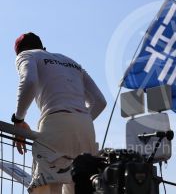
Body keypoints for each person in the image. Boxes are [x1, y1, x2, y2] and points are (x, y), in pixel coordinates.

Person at [11, 32, 107, 194]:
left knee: (47, 188)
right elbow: (100, 102)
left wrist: (18, 119)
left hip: (55, 125)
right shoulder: (71, 62)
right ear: (43, 47)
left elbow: (30, 81)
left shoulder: (26, 56)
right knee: (80, 186)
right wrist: (78, 119)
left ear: (19, 52)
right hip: (86, 129)